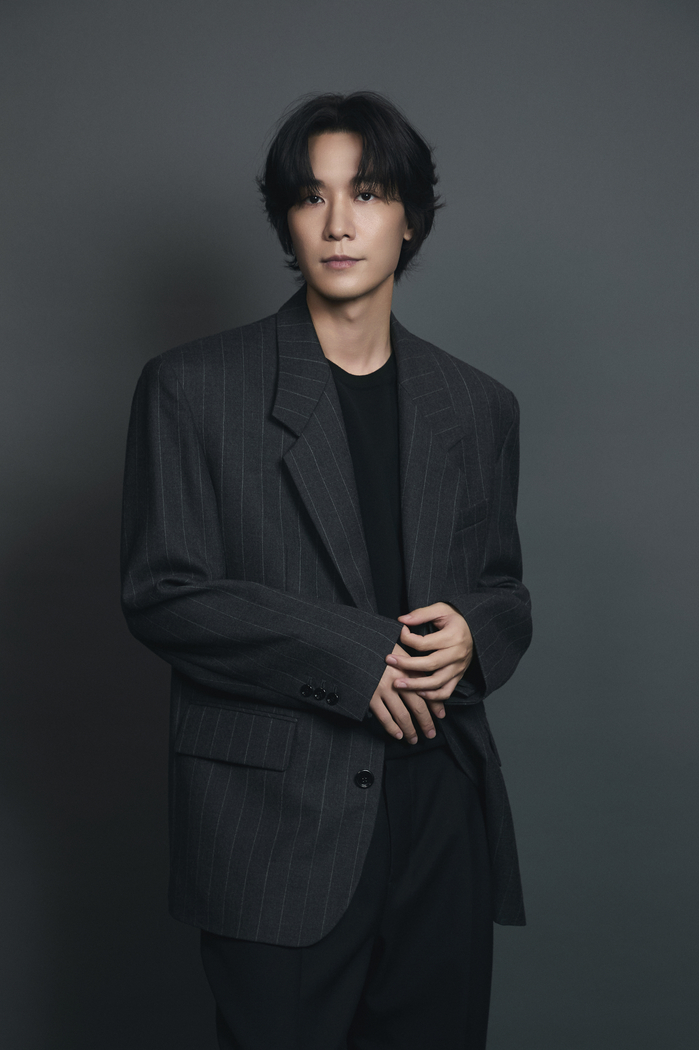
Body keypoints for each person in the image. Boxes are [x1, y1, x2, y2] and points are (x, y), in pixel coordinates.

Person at [121, 91, 532, 1050]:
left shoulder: (478, 405)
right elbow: (163, 593)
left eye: (369, 193)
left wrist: (474, 636)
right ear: (286, 220)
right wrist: (358, 656)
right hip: (277, 820)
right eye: (313, 197)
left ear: (410, 218)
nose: (340, 223)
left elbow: (505, 589)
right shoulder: (192, 388)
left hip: (443, 811)